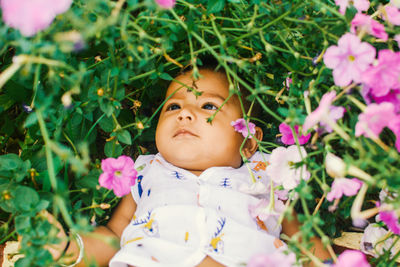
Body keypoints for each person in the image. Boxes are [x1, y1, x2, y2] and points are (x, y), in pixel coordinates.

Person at [50, 63, 331, 267]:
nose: (185, 113)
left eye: (209, 106)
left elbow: (305, 238)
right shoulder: (146, 173)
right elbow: (113, 235)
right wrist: (71, 249)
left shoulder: (269, 175)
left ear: (247, 141)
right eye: (173, 107)